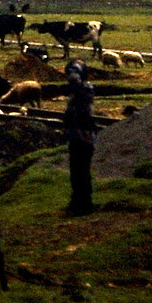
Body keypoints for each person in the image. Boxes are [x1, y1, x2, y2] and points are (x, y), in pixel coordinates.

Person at [63, 59, 97, 216]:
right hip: (77, 134)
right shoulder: (78, 91)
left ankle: (83, 204)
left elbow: (80, 113)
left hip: (83, 135)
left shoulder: (85, 90)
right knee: (76, 171)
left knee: (81, 171)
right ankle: (77, 201)